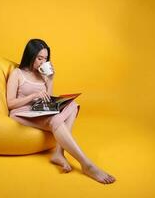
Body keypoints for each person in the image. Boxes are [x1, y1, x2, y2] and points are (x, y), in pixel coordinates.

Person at [6, 39, 116, 184]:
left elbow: (48, 98)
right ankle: (87, 164)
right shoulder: (17, 73)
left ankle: (58, 153)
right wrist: (33, 96)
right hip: (21, 112)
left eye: (45, 58)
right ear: (30, 55)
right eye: (39, 58)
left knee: (72, 105)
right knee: (55, 119)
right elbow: (10, 103)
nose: (42, 62)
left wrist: (50, 80)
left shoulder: (42, 75)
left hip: (39, 110)